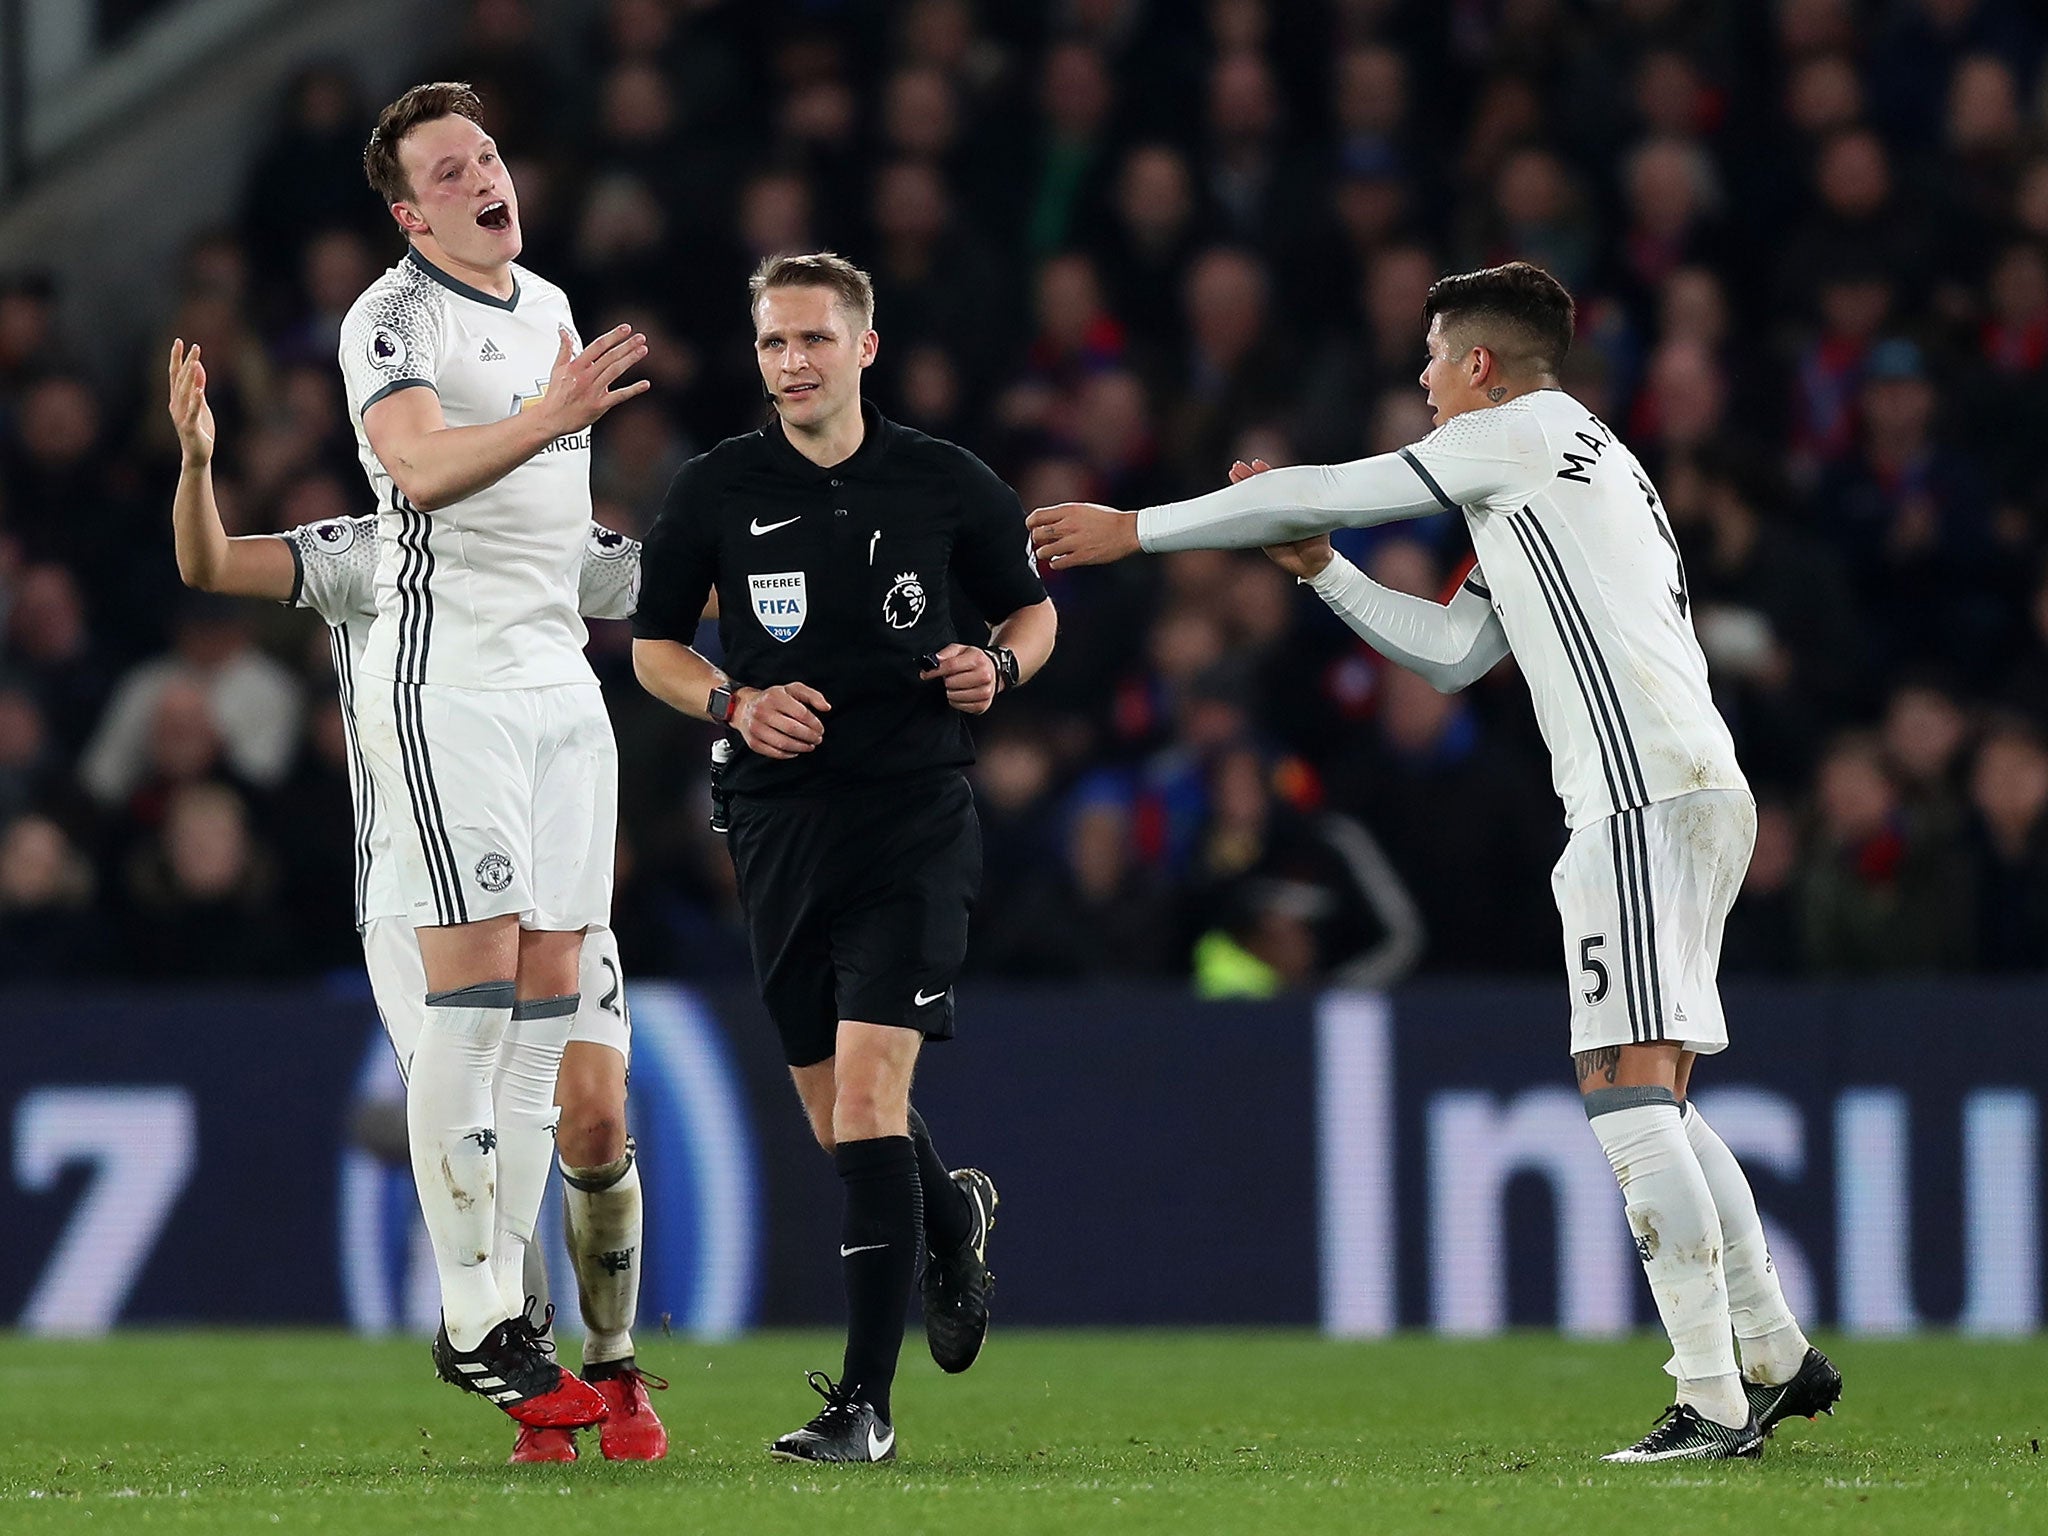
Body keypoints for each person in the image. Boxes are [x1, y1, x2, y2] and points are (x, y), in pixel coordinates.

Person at [1028, 260, 1841, 1464]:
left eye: (1428, 358)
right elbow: (1456, 653)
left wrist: (1134, 529)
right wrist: (1319, 574)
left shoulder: (1512, 435)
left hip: (1633, 796)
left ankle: (1710, 1400)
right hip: (1691, 787)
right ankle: (1770, 1350)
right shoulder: (1577, 460)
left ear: (1478, 367)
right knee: (1656, 1091)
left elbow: (1326, 486)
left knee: (1619, 1096)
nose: (1415, 379)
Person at [167, 340, 665, 1464]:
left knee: (590, 1114)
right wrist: (197, 465)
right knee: (489, 1120)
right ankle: (522, 1363)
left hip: (550, 872)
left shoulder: (547, 543)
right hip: (416, 887)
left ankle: (617, 1358)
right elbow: (210, 566)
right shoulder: (369, 552)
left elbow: (680, 579)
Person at [631, 252, 1057, 1463]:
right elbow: (655, 645)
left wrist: (1003, 668)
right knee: (834, 1124)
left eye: (814, 340)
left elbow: (1029, 612)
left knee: (870, 1098)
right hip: (774, 826)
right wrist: (731, 707)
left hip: (913, 815)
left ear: (864, 347)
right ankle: (949, 1216)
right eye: (772, 344)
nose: (792, 363)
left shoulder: (940, 481)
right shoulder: (717, 488)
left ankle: (862, 1407)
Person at [339, 81, 648, 1431]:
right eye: (448, 169)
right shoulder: (388, 319)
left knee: (551, 988)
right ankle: (472, 1312)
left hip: (557, 681)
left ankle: (510, 1319)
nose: (481, 177)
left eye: (488, 154)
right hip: (446, 675)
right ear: (412, 211)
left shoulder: (549, 309)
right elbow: (413, 468)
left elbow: (551, 533)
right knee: (475, 987)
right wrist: (546, 415)